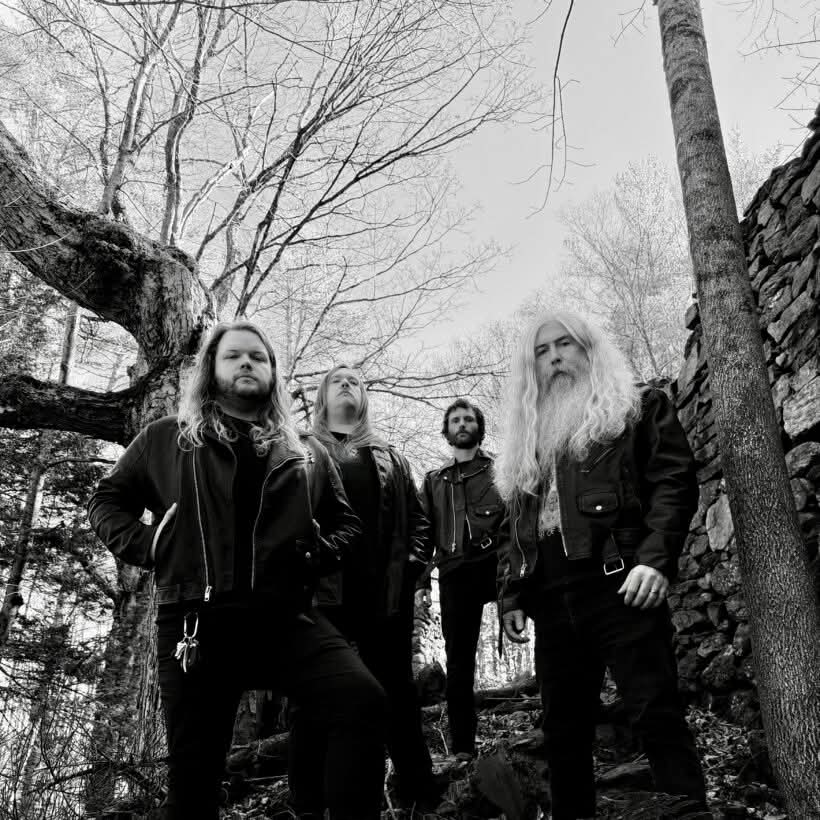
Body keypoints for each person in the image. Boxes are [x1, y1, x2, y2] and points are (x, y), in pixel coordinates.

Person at [87, 322, 387, 820]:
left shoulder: (306, 451)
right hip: (196, 621)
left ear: (272, 372)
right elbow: (105, 500)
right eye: (233, 356)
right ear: (212, 369)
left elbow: (347, 524)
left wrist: (315, 554)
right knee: (194, 782)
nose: (246, 363)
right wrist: (149, 545)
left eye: (258, 356)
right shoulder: (168, 437)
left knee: (363, 702)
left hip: (287, 617)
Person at [494, 311, 708, 820]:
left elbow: (673, 483)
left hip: (621, 585)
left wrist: (654, 561)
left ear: (589, 348)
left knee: (655, 713)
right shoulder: (528, 436)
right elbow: (514, 527)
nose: (554, 358)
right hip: (551, 600)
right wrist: (512, 594)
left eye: (564, 344)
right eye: (541, 352)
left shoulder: (637, 407)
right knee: (562, 731)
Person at [288, 364, 439, 818]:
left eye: (355, 380)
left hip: (383, 597)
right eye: (337, 380)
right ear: (322, 398)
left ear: (365, 398)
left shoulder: (390, 457)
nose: (347, 384)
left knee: (396, 694)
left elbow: (420, 522)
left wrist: (410, 570)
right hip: (321, 596)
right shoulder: (301, 448)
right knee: (314, 698)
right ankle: (307, 805)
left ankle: (419, 795)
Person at [415, 399, 505, 760]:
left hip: (499, 564)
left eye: (468, 419)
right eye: (455, 420)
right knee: (459, 661)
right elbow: (423, 534)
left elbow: (517, 517)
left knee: (545, 629)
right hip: (454, 572)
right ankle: (463, 747)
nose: (462, 424)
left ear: (479, 427)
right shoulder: (434, 481)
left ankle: (553, 722)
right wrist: (421, 582)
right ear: (447, 431)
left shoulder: (501, 469)